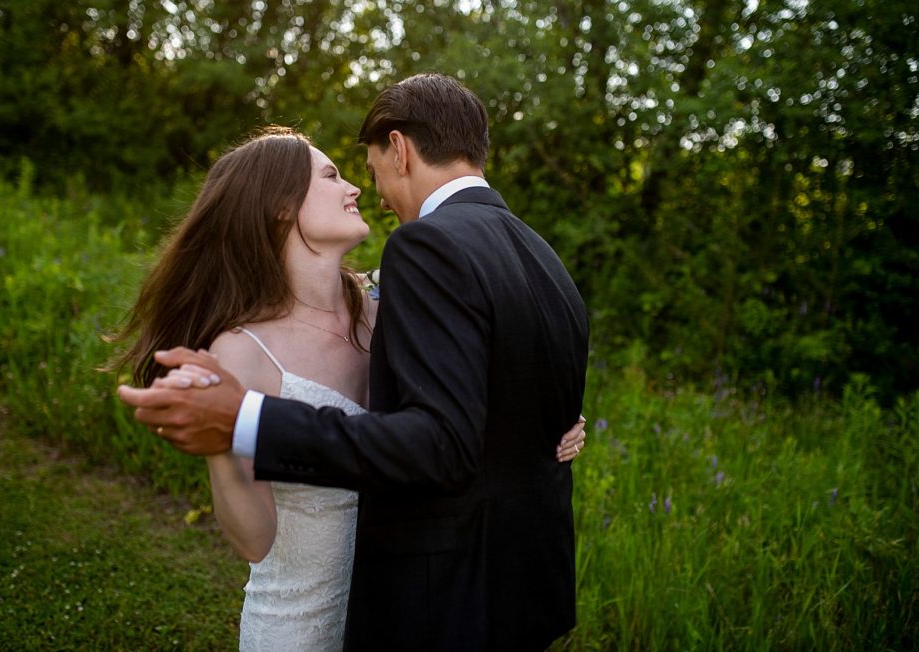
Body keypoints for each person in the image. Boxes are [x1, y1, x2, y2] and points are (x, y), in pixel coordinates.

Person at [114, 122, 587, 651]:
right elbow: (252, 541)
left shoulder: (388, 308)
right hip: (300, 624)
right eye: (332, 175)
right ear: (280, 205)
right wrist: (224, 444)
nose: (356, 188)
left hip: (407, 611)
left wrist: (550, 423)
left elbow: (454, 414)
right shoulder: (240, 350)